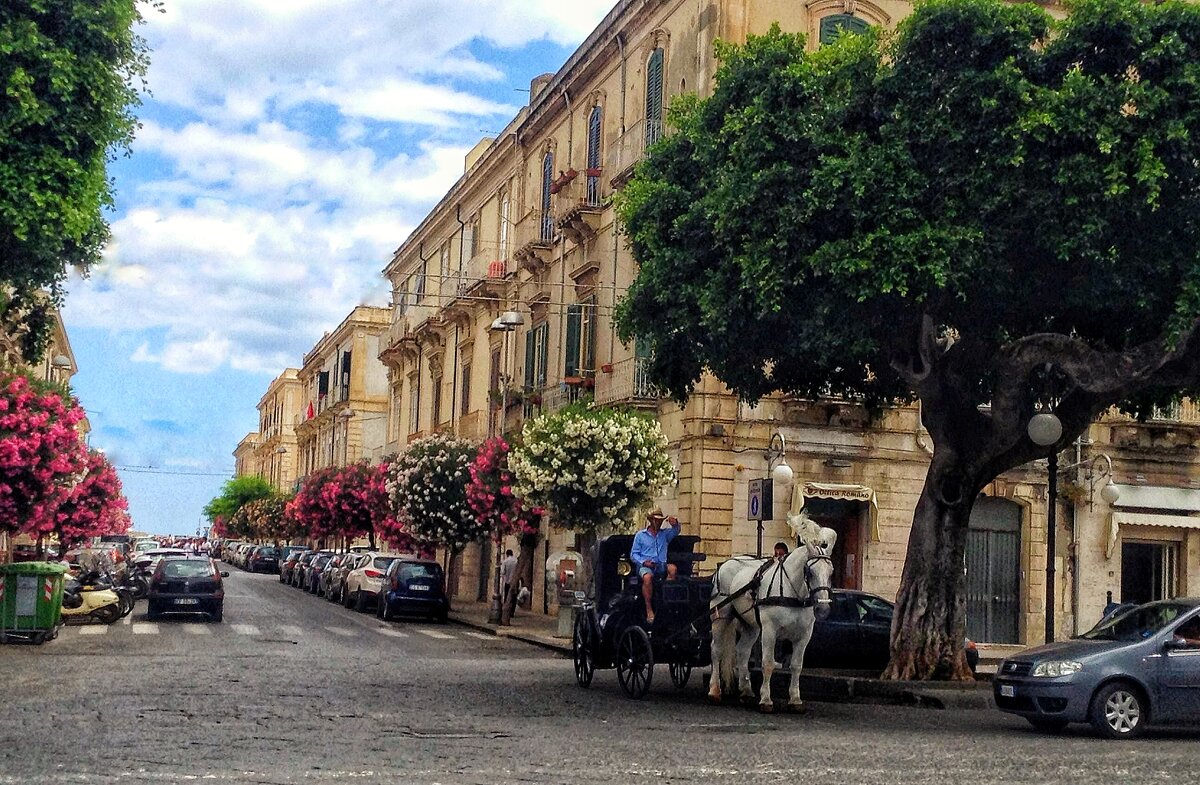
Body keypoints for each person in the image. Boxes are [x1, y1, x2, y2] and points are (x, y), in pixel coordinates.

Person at [630, 508, 680, 623]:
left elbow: (676, 530)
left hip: (661, 565)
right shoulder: (640, 535)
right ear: (651, 520)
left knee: (672, 569)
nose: (659, 523)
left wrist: (675, 523)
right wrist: (644, 562)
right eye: (656, 520)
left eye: (660, 520)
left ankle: (666, 598)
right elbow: (634, 554)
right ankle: (649, 608)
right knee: (647, 577)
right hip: (646, 566)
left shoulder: (664, 534)